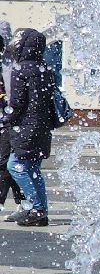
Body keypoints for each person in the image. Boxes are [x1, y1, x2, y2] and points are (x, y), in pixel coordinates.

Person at [5, 28, 60, 227]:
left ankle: (36, 209)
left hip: (26, 126)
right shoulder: (45, 68)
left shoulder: (21, 70)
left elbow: (17, 103)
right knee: (33, 169)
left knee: (15, 165)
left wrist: (7, 118)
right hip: (42, 127)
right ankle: (40, 211)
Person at [0, 21, 22, 215]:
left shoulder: (12, 62)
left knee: (7, 163)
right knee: (12, 164)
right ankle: (24, 203)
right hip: (7, 120)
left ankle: (23, 203)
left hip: (10, 121)